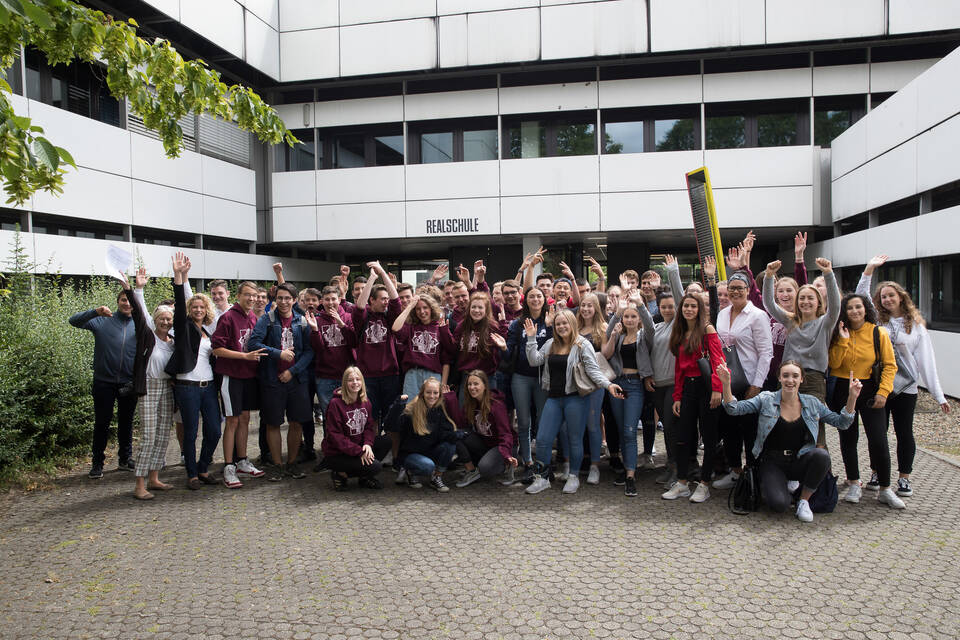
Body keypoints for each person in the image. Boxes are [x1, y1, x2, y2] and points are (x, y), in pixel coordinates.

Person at [719, 361, 861, 522]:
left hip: (799, 459)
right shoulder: (766, 399)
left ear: (801, 379)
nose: (790, 380)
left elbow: (842, 422)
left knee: (821, 456)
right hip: (772, 461)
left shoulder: (812, 403)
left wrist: (852, 398)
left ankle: (804, 500)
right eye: (785, 375)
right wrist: (726, 384)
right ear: (779, 378)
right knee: (779, 505)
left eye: (795, 376)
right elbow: (733, 409)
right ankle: (775, 484)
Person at [857, 257, 950, 497]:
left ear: (901, 297)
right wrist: (869, 270)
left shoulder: (916, 326)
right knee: (878, 432)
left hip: (906, 387)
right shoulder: (877, 319)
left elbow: (926, 361)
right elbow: (861, 295)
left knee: (904, 432)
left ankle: (904, 477)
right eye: (883, 296)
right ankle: (878, 471)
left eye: (891, 295)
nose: (887, 300)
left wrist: (938, 394)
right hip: (881, 386)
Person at [525, 310, 625, 494]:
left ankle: (573, 476)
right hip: (554, 399)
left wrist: (608, 385)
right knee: (542, 439)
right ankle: (543, 478)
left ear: (572, 324)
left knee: (574, 439)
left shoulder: (582, 344)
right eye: (558, 324)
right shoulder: (550, 344)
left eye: (565, 323)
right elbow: (534, 361)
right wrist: (531, 339)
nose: (561, 327)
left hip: (576, 399)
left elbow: (593, 370)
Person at [828, 293, 902, 508]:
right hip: (842, 388)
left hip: (870, 389)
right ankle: (853, 482)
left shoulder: (878, 333)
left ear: (865, 309)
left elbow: (890, 365)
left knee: (878, 438)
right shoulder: (838, 332)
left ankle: (886, 488)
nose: (854, 311)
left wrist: (884, 392)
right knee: (848, 437)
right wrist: (842, 341)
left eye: (858, 307)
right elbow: (833, 363)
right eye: (850, 308)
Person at [166, 253, 230, 490]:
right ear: (189, 309)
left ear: (208, 310)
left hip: (208, 387)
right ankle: (192, 473)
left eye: (203, 306)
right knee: (191, 432)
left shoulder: (208, 333)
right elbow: (180, 300)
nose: (199, 309)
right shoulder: (183, 329)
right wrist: (179, 275)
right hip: (188, 387)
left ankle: (203, 467)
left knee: (214, 430)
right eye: (195, 306)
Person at [762, 257, 840, 447]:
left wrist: (828, 274)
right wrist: (769, 277)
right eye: (802, 298)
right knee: (785, 424)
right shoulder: (791, 321)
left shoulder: (825, 323)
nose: (805, 302)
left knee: (814, 426)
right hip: (788, 377)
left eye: (810, 298)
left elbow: (836, 304)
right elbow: (769, 305)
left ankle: (821, 471)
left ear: (818, 302)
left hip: (813, 380)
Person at [69, 281, 138, 479]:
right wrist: (94, 312)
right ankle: (97, 463)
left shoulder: (139, 323)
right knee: (102, 423)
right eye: (123, 300)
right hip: (103, 382)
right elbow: (73, 321)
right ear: (117, 302)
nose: (127, 304)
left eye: (130, 300)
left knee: (126, 423)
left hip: (128, 383)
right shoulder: (103, 320)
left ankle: (125, 459)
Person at [713, 270, 773, 491]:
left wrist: (757, 385)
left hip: (750, 381)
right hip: (728, 382)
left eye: (740, 288)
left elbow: (766, 352)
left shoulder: (757, 316)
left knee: (751, 430)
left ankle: (753, 473)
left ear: (748, 290)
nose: (735, 292)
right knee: (729, 427)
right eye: (732, 288)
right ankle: (735, 471)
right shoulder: (722, 313)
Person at [662, 293, 725, 503]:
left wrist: (717, 389)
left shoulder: (707, 329)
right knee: (683, 438)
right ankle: (682, 483)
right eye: (686, 306)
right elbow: (679, 369)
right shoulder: (680, 332)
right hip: (687, 388)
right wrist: (677, 396)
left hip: (707, 389)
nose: (689, 309)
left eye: (693, 306)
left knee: (708, 438)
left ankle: (704, 484)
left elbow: (718, 360)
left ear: (699, 309)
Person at [249, 282, 314, 481]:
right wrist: (278, 354)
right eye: (280, 298)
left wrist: (292, 371)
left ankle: (292, 463)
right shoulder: (267, 320)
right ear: (275, 300)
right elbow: (253, 343)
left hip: (296, 381)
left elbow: (310, 352)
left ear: (294, 300)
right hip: (272, 380)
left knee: (296, 423)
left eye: (288, 298)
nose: (284, 302)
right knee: (273, 423)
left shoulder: (302, 322)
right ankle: (277, 465)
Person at [119, 269, 175, 500]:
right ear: (154, 319)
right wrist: (136, 288)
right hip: (149, 387)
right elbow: (139, 312)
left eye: (169, 319)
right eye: (161, 318)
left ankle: (154, 477)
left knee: (163, 434)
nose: (165, 321)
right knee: (149, 435)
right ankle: (139, 484)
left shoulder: (172, 341)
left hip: (167, 388)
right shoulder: (147, 334)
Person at [211, 280, 266, 488]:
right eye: (247, 295)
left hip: (248, 376)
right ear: (239, 295)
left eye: (254, 295)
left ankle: (242, 460)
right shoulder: (227, 318)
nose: (251, 299)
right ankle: (228, 465)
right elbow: (217, 350)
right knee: (232, 420)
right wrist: (244, 357)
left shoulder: (253, 317)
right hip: (231, 376)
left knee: (245, 418)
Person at [602, 293, 655, 497]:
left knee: (629, 430)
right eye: (627, 317)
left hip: (635, 386)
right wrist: (617, 314)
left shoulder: (644, 337)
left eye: (634, 317)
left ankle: (631, 476)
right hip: (618, 384)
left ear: (639, 319)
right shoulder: (620, 336)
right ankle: (626, 469)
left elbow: (650, 327)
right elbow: (607, 334)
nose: (630, 320)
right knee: (621, 427)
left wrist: (640, 305)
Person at [384, 378, 462, 492]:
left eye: (435, 393)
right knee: (427, 466)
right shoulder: (412, 410)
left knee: (450, 445)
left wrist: (457, 435)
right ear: (422, 393)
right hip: (410, 454)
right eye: (428, 392)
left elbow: (444, 434)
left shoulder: (439, 410)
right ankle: (410, 472)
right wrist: (397, 405)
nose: (432, 396)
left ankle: (436, 477)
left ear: (439, 394)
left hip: (429, 451)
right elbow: (390, 426)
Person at [648, 255, 686, 488]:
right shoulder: (658, 326)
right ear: (659, 308)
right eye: (664, 307)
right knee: (668, 429)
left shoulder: (677, 325)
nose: (668, 309)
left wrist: (673, 272)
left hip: (674, 385)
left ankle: (678, 468)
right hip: (658, 386)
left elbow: (681, 299)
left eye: (671, 306)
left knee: (672, 428)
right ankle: (671, 465)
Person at [321, 367, 392, 490]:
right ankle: (340, 474)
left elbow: (369, 427)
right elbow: (335, 436)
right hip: (338, 453)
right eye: (350, 380)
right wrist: (359, 451)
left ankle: (364, 477)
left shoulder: (365, 401)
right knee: (376, 467)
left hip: (358, 446)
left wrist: (368, 445)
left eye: (357, 379)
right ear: (344, 383)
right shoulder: (335, 404)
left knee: (387, 441)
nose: (355, 382)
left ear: (362, 382)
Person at [506, 286, 551, 482]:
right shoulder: (518, 323)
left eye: (538, 296)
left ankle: (542, 461)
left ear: (544, 299)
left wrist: (549, 327)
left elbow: (557, 345)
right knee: (524, 422)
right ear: (526, 300)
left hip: (543, 378)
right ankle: (528, 462)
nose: (535, 299)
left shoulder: (549, 320)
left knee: (543, 421)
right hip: (521, 377)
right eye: (531, 296)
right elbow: (509, 352)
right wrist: (502, 347)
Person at [352, 261, 402, 430]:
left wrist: (382, 273)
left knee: (391, 416)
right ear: (371, 300)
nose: (386, 302)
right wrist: (372, 279)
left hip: (390, 375)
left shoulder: (389, 317)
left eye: (386, 299)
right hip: (367, 376)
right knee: (370, 417)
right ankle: (374, 452)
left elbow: (396, 299)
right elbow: (359, 306)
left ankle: (392, 453)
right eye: (382, 299)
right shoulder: (362, 317)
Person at [446, 370, 517, 488]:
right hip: (486, 444)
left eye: (476, 384)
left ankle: (506, 465)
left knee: (485, 468)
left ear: (485, 385)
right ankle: (472, 471)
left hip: (503, 446)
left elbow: (506, 434)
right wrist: (451, 399)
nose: (472, 387)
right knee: (456, 434)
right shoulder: (471, 403)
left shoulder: (496, 405)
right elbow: (461, 425)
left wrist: (506, 455)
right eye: (469, 384)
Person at [392, 293, 455, 400]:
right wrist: (410, 306)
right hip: (412, 374)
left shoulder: (439, 327)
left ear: (431, 308)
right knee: (410, 410)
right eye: (418, 309)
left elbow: (447, 358)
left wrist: (443, 383)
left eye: (425, 308)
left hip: (433, 375)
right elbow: (395, 328)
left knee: (432, 410)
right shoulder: (411, 327)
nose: (422, 312)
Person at [575, 293, 608, 484]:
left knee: (593, 425)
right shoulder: (575, 327)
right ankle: (577, 464)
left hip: (595, 383)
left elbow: (605, 356)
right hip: (575, 382)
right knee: (576, 425)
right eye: (583, 305)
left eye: (590, 306)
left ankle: (595, 466)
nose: (586, 309)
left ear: (596, 308)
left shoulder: (602, 328)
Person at [452, 291, 507, 388]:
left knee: (488, 403)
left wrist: (503, 325)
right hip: (467, 377)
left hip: (487, 377)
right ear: (469, 309)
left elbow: (503, 346)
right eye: (473, 307)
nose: (476, 310)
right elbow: (452, 347)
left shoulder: (492, 327)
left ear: (486, 310)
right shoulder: (462, 325)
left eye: (480, 307)